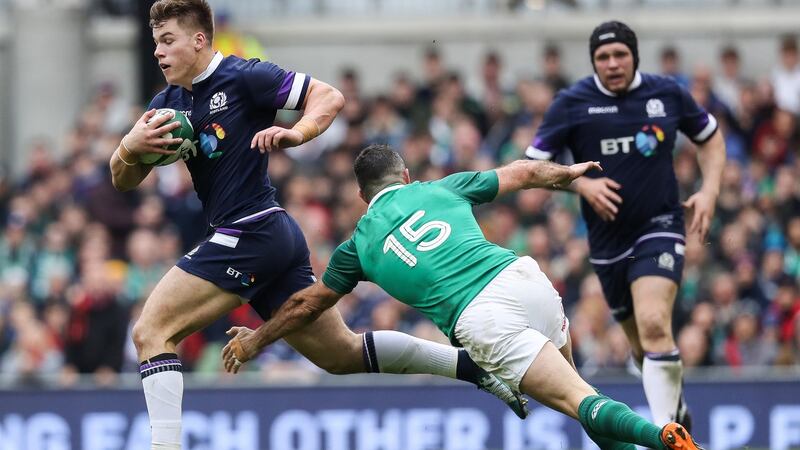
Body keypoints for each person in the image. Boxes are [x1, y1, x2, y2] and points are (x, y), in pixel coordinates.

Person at [109, 1, 526, 448]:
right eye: (155, 43)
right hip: (268, 237)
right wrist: (129, 148)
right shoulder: (166, 103)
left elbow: (329, 97)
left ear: (199, 39)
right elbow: (124, 180)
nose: (158, 52)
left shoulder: (244, 76)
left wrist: (297, 132)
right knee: (342, 354)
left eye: (167, 40)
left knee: (150, 331)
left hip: (250, 230)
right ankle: (474, 369)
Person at [222, 144, 702, 450]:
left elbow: (305, 304)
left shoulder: (358, 248)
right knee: (584, 396)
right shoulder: (441, 188)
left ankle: (663, 437)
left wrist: (256, 340)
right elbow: (519, 173)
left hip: (483, 317)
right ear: (405, 175)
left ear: (364, 197)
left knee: (579, 402)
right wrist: (566, 173)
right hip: (523, 279)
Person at [525, 21, 726, 430]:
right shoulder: (572, 103)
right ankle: (677, 405)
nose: (612, 63)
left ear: (634, 55)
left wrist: (709, 191)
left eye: (620, 55)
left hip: (661, 223)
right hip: (607, 241)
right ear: (593, 61)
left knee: (655, 325)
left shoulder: (666, 92)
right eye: (603, 57)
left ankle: (670, 430)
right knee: (642, 347)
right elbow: (534, 167)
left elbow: (711, 138)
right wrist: (583, 187)